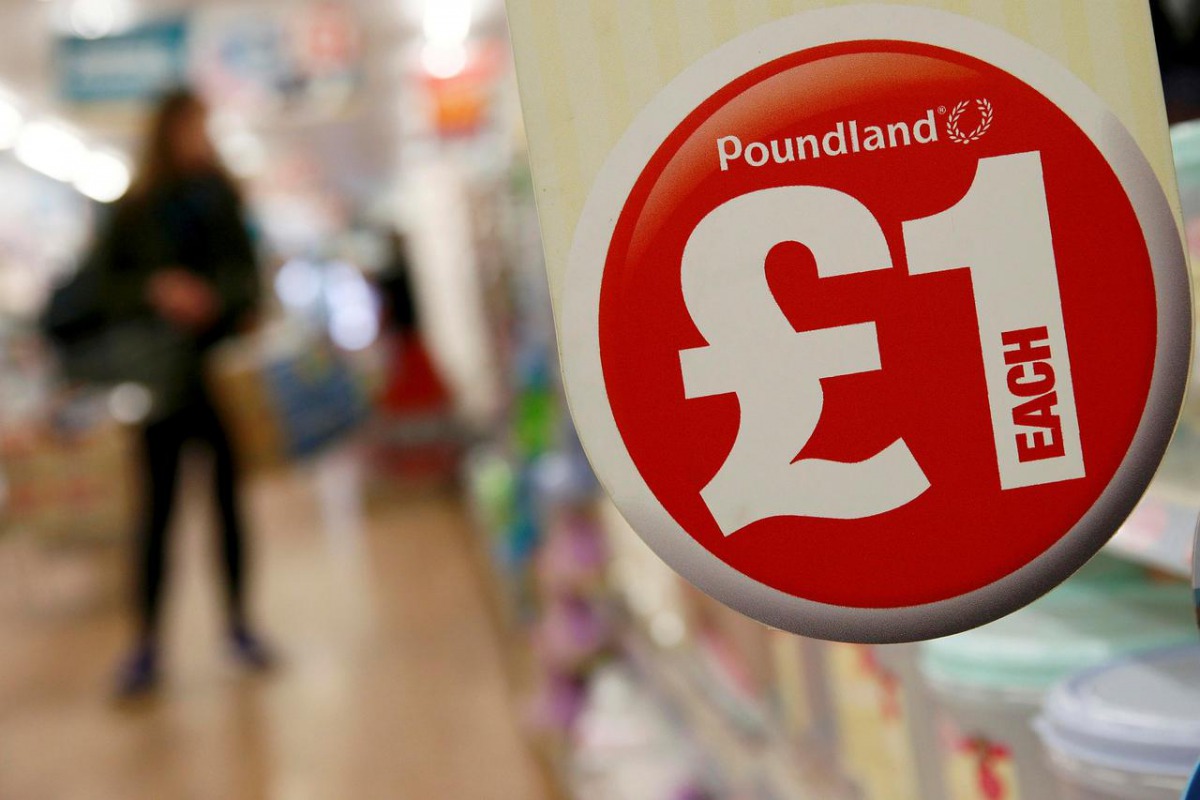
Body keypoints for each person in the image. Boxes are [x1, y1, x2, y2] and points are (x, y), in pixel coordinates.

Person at [96, 89, 274, 698]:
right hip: (158, 384)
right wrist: (157, 288)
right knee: (156, 516)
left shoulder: (222, 198)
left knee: (228, 507)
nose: (201, 136)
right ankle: (146, 644)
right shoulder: (133, 210)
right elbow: (98, 290)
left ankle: (240, 626)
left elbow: (249, 282)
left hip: (217, 379)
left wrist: (213, 300)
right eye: (192, 125)